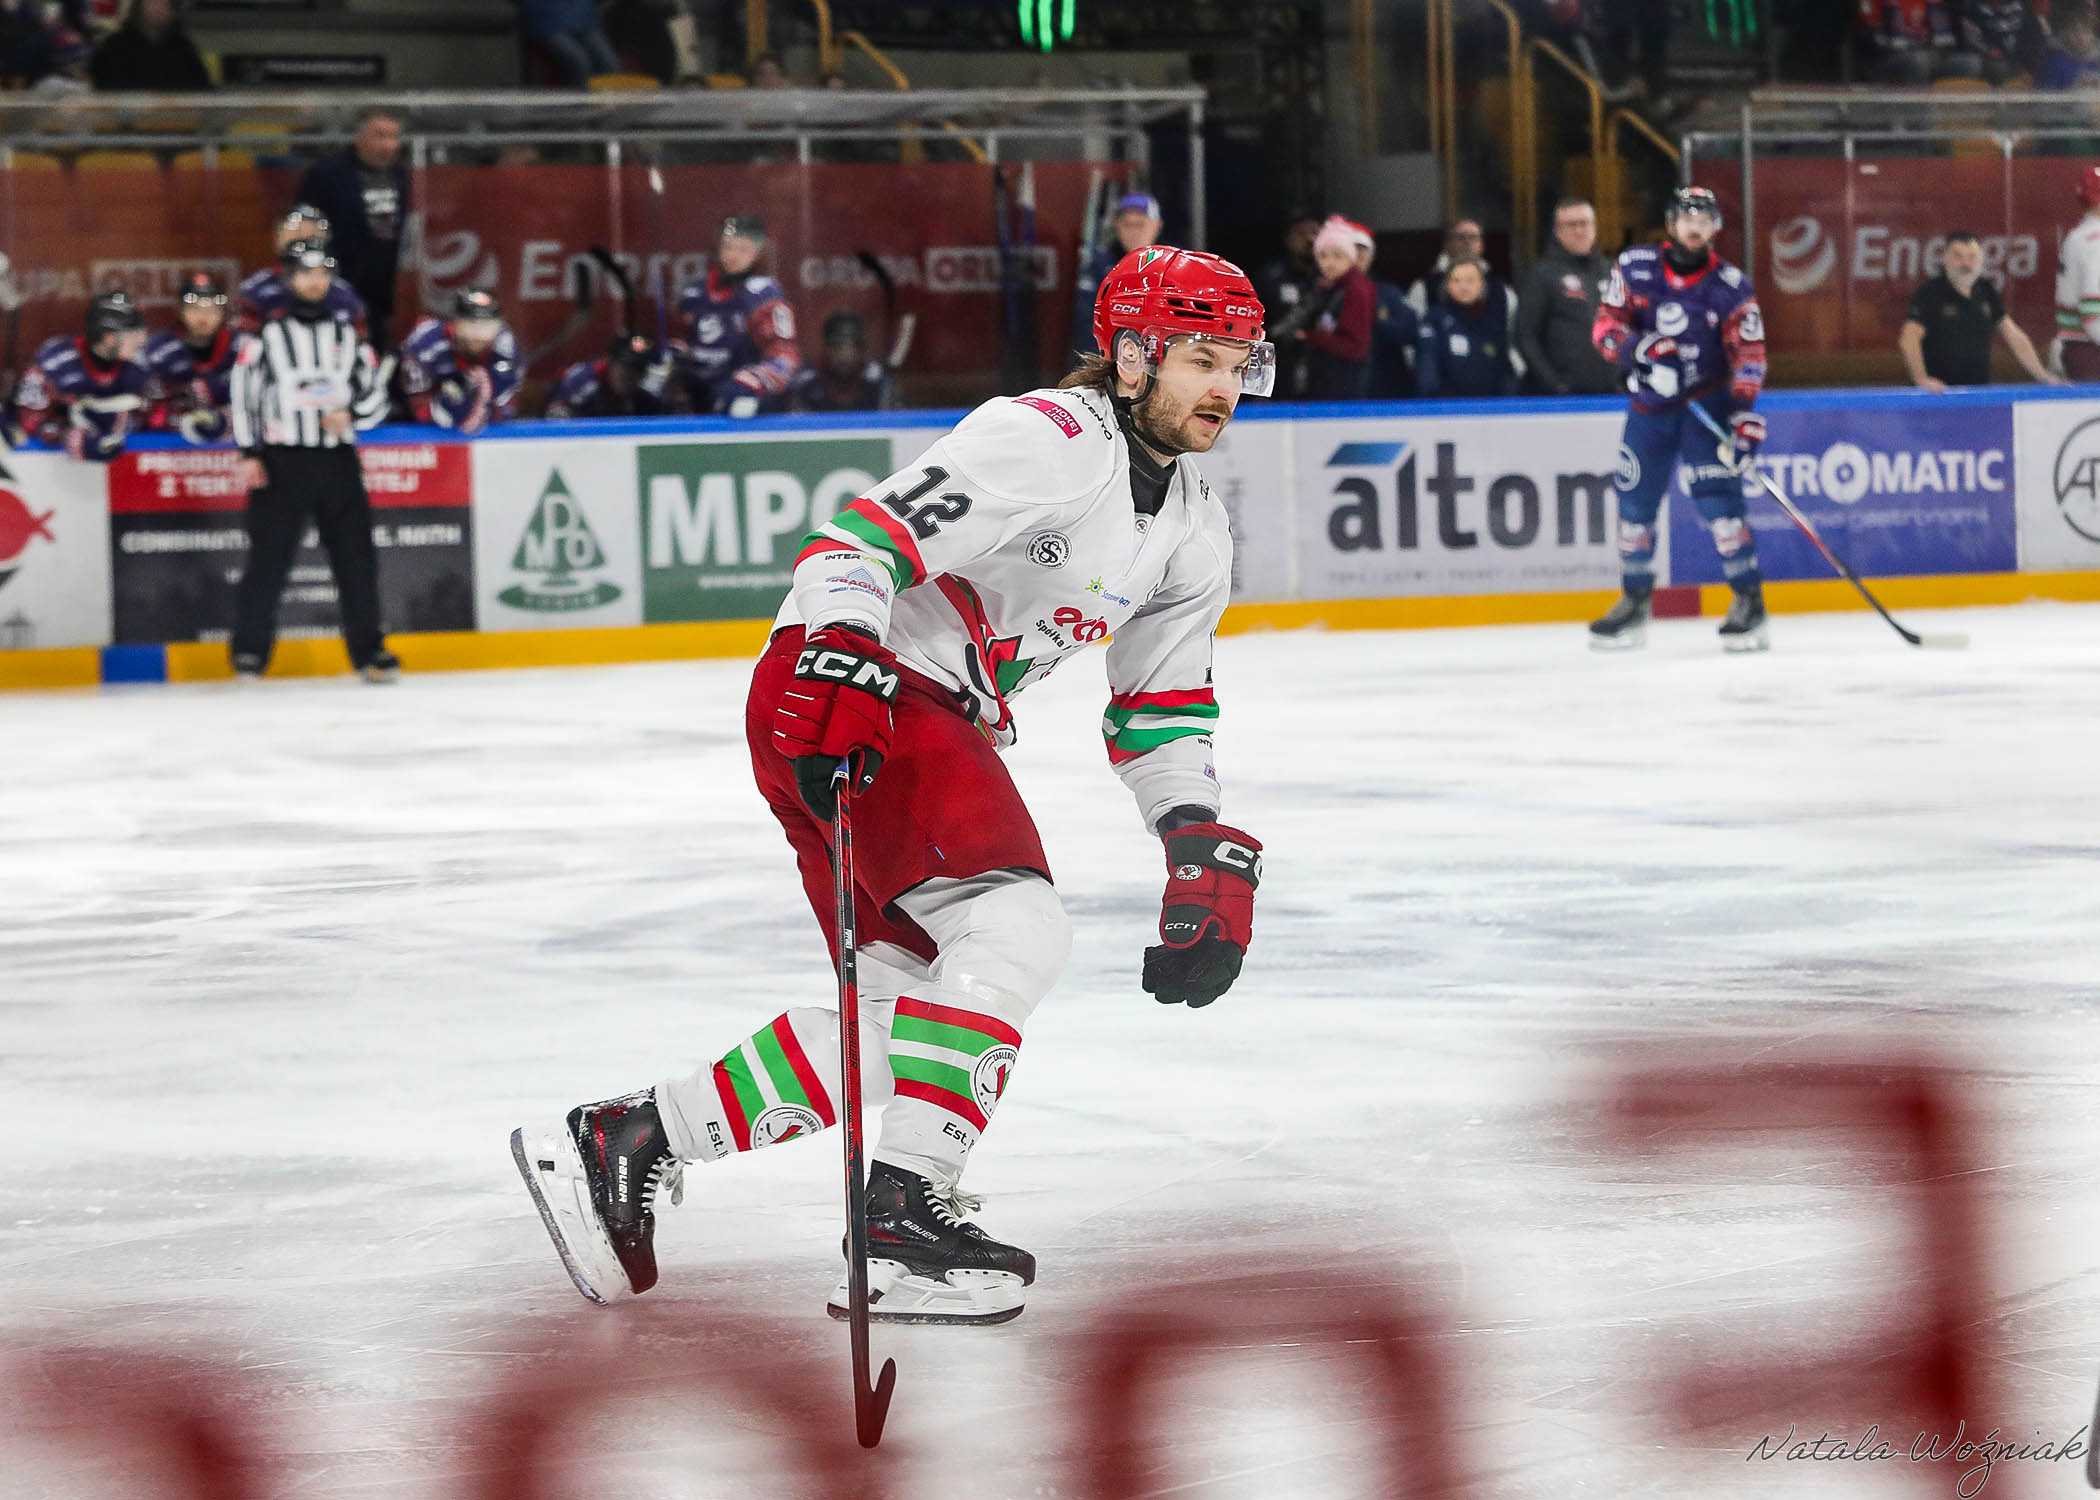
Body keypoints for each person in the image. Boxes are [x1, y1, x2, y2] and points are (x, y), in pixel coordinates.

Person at [511, 246, 1273, 1320]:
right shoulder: (1049, 438)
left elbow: (1163, 705)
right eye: (1202, 360)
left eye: (1240, 364)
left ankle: (630, 1137)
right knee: (1014, 928)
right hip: (861, 692)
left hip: (906, 711)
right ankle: (904, 1214)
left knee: (902, 1023)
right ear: (1133, 356)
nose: (1226, 388)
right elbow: (856, 544)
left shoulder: (1194, 525)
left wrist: (1192, 834)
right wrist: (843, 650)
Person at [1588, 186, 1770, 652]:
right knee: (1634, 509)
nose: (1695, 227)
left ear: (1715, 229)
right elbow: (1605, 326)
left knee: (1721, 508)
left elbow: (1749, 354)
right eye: (1687, 218)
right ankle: (1634, 601)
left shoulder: (1730, 285)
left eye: (1704, 220)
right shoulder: (1635, 268)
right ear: (1671, 225)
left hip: (1706, 406)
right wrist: (1640, 351)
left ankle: (1749, 601)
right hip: (1649, 409)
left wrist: (1742, 415)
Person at [227, 240, 396, 683]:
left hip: (338, 461)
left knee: (357, 560)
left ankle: (370, 651)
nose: (315, 281)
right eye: (306, 273)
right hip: (282, 461)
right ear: (289, 279)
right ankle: (249, 652)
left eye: (322, 273)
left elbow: (375, 394)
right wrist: (248, 451)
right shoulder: (266, 337)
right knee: (268, 561)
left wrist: (353, 414)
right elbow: (244, 395)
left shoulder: (347, 336)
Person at [296, 108, 410, 352]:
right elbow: (305, 226)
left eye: (394, 136)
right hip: (337, 279)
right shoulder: (327, 174)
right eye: (380, 135)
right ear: (359, 138)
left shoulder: (400, 174)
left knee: (377, 346)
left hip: (384, 282)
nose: (389, 145)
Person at [674, 213, 801, 416]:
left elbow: (785, 356)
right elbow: (683, 343)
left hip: (742, 403)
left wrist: (754, 381)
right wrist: (673, 358)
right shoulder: (695, 293)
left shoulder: (763, 296)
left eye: (743, 249)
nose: (733, 255)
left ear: (757, 253)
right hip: (697, 401)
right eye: (728, 247)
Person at [1901, 230, 2060, 391]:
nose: (1966, 264)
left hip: (1977, 393)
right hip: (1938, 395)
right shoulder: (1930, 293)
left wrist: (2042, 375)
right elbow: (1909, 339)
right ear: (1945, 258)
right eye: (1958, 256)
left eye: (1972, 257)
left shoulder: (1986, 290)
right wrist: (1921, 379)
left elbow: (2013, 335)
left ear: (1981, 260)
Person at [8, 288, 151, 462]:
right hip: (50, 469)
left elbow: (153, 417)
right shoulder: (56, 361)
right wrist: (70, 437)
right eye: (134, 333)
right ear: (109, 337)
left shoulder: (140, 364)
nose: (142, 340)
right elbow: (26, 425)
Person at [1516, 198, 1619, 395]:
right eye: (1571, 225)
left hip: (1612, 392)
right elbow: (1526, 336)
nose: (1579, 231)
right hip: (1563, 398)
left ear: (1594, 227)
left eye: (1584, 224)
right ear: (1557, 231)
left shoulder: (1612, 271)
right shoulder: (1542, 274)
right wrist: (1554, 384)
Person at [1273, 214, 1374, 399]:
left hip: (1346, 387)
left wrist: (1309, 336)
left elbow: (1356, 347)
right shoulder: (1326, 287)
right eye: (1323, 255)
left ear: (1350, 257)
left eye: (1338, 255)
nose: (1329, 263)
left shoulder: (1356, 290)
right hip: (1325, 383)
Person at [395, 289, 521, 433]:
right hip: (419, 431)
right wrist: (445, 405)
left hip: (483, 430)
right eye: (471, 325)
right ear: (456, 323)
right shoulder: (426, 344)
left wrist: (484, 400)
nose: (479, 336)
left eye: (488, 327)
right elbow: (415, 406)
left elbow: (507, 408)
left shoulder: (505, 344)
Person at [144, 272, 247, 445]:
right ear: (181, 311)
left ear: (222, 312)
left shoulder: (242, 346)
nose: (203, 316)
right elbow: (151, 415)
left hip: (233, 444)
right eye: (195, 309)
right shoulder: (160, 350)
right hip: (173, 445)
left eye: (211, 309)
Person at [239, 205, 369, 335]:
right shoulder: (255, 291)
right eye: (296, 233)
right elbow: (241, 340)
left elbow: (361, 340)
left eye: (312, 234)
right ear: (278, 239)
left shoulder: (344, 295)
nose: (304, 240)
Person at [1069, 191, 1164, 362]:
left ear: (1157, 225)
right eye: (1127, 224)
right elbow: (1087, 321)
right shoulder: (1100, 265)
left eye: (1140, 224)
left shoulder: (1174, 265)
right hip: (1110, 359)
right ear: (1117, 226)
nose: (1134, 232)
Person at [1415, 258, 1521, 398]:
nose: (1463, 287)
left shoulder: (1492, 321)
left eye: (1470, 281)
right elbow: (1427, 368)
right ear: (1447, 285)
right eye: (1456, 281)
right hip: (1447, 405)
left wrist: (1508, 401)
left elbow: (1504, 371)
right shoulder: (1435, 320)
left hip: (1489, 406)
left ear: (1481, 285)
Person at [1256, 213, 1321, 398]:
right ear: (1288, 239)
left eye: (1315, 232)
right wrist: (1259, 385)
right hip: (1280, 367)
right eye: (1302, 233)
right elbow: (1259, 331)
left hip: (1322, 370)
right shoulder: (1270, 277)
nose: (1309, 239)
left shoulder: (1330, 279)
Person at [544, 331, 679, 418]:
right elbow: (555, 421)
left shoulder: (644, 396)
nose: (632, 376)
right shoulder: (582, 382)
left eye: (640, 369)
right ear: (610, 362)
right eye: (627, 368)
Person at [1355, 223, 1420, 399]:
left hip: (1386, 389)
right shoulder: (1327, 292)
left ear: (1372, 255)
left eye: (1363, 249)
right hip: (1342, 389)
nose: (1358, 255)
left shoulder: (1387, 293)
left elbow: (1412, 331)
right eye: (1353, 249)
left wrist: (1378, 321)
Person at [87, 0, 210, 91]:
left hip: (176, 117)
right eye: (154, 2)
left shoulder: (183, 47)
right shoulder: (115, 46)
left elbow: (202, 90)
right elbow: (101, 88)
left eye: (166, 4)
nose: (160, 8)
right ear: (138, 6)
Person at [790, 310, 896, 412]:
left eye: (852, 347)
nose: (844, 356)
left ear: (862, 349)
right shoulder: (806, 382)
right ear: (826, 348)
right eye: (837, 347)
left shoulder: (880, 380)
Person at [2054, 166, 2100, 381]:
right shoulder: (2095, 241)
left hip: (2081, 349)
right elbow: (2093, 314)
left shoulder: (2079, 236)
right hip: (2092, 352)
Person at [520, 0, 621, 87]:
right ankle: (584, 102)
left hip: (585, 24)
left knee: (611, 63)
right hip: (550, 27)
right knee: (581, 61)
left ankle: (612, 102)